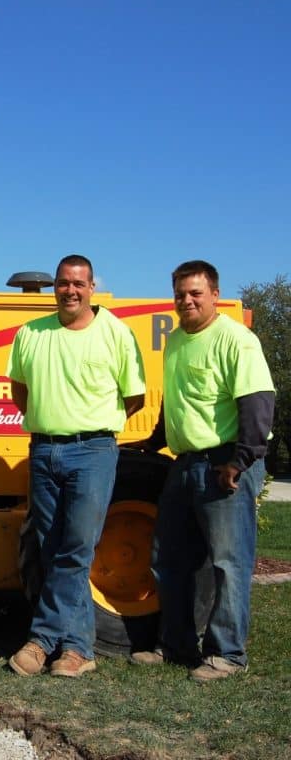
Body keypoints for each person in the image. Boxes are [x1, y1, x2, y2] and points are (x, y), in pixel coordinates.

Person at [130, 260, 274, 682]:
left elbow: (258, 401)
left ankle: (227, 654)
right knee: (169, 560)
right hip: (185, 463)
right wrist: (155, 438)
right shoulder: (176, 340)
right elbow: (178, 399)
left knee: (228, 563)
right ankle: (175, 645)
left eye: (195, 293)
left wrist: (241, 460)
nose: (187, 300)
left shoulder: (236, 339)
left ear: (214, 294)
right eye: (180, 293)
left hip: (224, 464)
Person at [6, 255, 146, 678]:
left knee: (76, 548)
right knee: (52, 549)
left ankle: (41, 639)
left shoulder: (116, 333)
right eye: (63, 283)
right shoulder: (30, 334)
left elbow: (132, 396)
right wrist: (54, 423)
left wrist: (87, 424)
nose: (70, 290)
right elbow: (20, 392)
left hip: (93, 451)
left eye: (79, 284)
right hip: (45, 450)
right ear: (55, 287)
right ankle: (78, 649)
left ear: (92, 288)